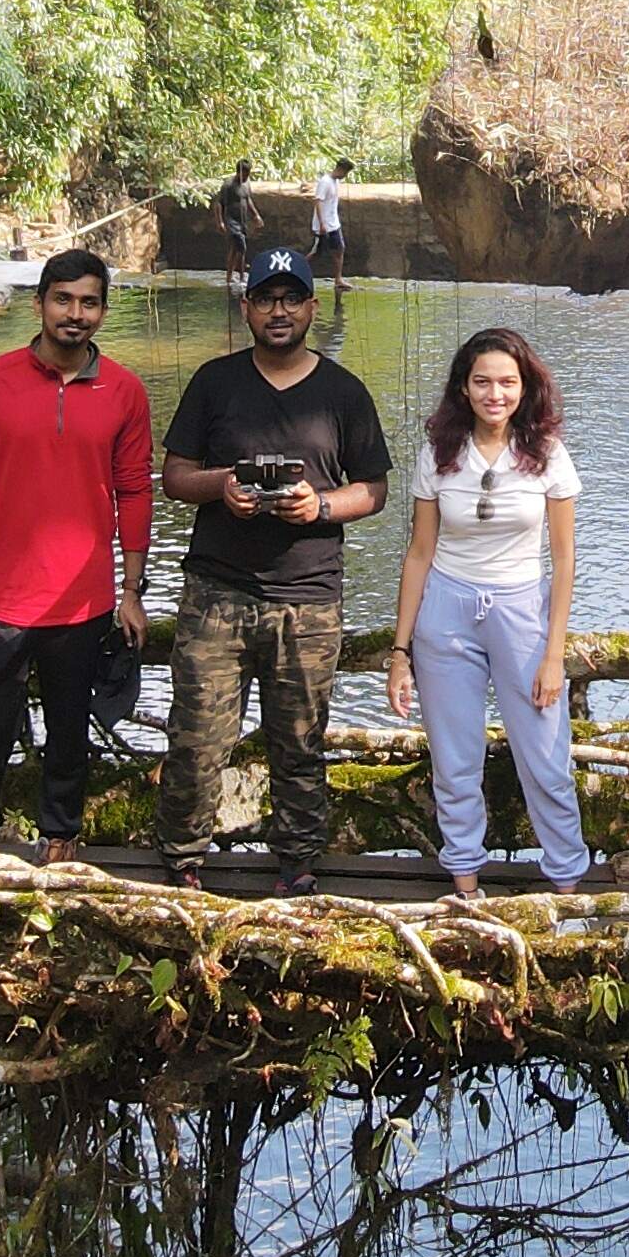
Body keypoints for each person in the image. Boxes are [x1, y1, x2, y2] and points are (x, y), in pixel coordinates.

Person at [158, 247, 393, 893]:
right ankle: (182, 859)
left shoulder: (343, 393)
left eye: (292, 299)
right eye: (267, 299)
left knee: (299, 743)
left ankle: (299, 862)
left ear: (313, 307)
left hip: (308, 598)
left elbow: (374, 490)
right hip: (217, 594)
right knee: (198, 739)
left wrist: (318, 505)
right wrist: (222, 486)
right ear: (247, 308)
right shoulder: (215, 382)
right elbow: (175, 477)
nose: (279, 311)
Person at [0, 249, 153, 863]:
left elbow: (135, 490)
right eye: (63, 299)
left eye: (89, 302)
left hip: (85, 598)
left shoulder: (125, 392)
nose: (74, 314)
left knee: (70, 729)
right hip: (0, 598)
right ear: (39, 303)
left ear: (104, 312)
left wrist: (132, 589)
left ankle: (61, 834)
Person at [383, 327, 593, 899]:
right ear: (464, 388)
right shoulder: (440, 452)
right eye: (482, 382)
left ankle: (566, 881)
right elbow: (419, 554)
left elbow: (567, 560)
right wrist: (400, 653)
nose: (494, 394)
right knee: (455, 759)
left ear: (525, 388)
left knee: (545, 757)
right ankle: (466, 885)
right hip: (446, 610)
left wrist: (554, 654)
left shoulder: (547, 454)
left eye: (507, 382)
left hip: (522, 608)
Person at [309, 156, 352, 300]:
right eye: (345, 173)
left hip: (334, 224)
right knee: (317, 253)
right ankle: (295, 270)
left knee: (340, 248)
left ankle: (338, 279)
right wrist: (321, 223)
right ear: (340, 169)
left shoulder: (335, 182)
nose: (345, 176)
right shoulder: (325, 182)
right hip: (324, 225)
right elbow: (318, 201)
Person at [214, 160, 260, 285]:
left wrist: (255, 215)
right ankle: (234, 277)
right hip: (231, 221)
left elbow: (248, 199)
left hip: (243, 221)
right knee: (240, 246)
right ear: (238, 172)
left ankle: (237, 277)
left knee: (237, 249)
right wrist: (220, 222)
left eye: (248, 175)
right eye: (244, 174)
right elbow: (219, 203)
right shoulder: (228, 185)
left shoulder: (246, 184)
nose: (246, 177)